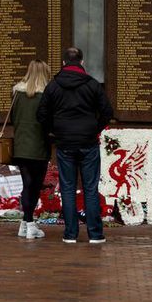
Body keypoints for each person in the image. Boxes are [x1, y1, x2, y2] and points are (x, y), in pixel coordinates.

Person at [37, 47, 113, 244]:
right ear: (82, 62)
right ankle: (95, 234)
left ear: (63, 63)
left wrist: (56, 129)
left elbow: (41, 114)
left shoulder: (53, 86)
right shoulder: (93, 85)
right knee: (90, 188)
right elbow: (107, 111)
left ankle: (70, 234)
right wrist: (94, 128)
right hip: (88, 142)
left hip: (65, 143)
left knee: (68, 188)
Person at [12, 60, 52, 240]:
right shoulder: (46, 96)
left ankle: (25, 223)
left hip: (20, 145)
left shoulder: (16, 93)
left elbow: (13, 118)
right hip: (39, 146)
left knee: (27, 185)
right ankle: (29, 224)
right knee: (33, 187)